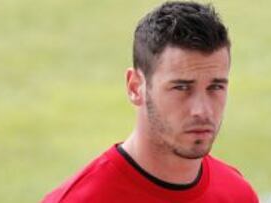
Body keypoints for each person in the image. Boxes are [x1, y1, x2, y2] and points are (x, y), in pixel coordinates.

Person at [42, 1, 259, 202]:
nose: (202, 110)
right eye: (181, 87)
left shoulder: (237, 194)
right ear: (136, 87)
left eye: (216, 87)